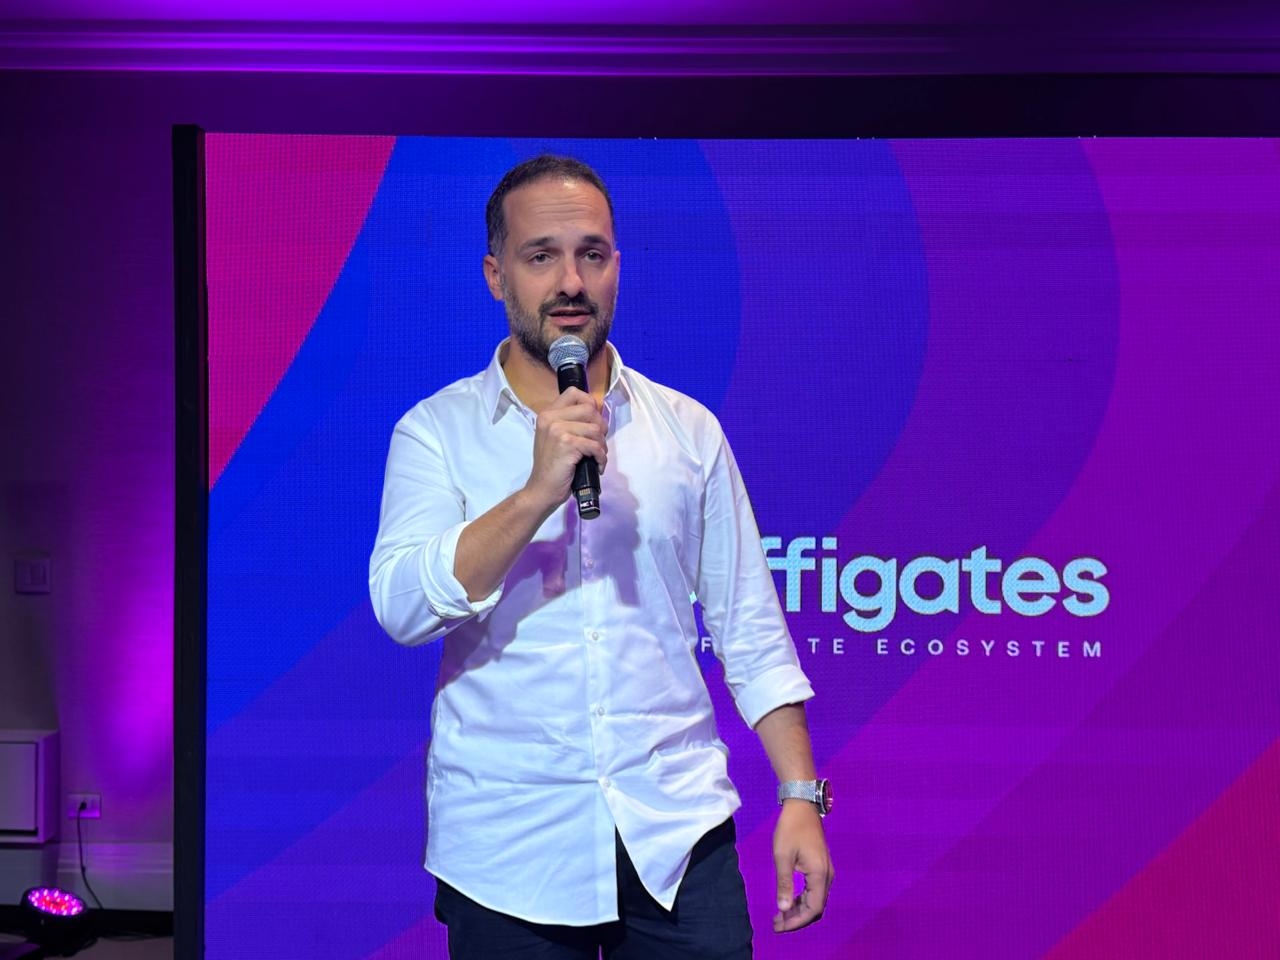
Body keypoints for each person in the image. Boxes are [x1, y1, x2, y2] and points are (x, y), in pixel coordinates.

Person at [369, 154, 832, 959]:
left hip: (676, 832)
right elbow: (402, 608)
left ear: (617, 266)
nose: (571, 282)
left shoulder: (687, 431)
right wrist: (534, 493)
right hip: (509, 848)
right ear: (496, 275)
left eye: (591, 254)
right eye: (540, 256)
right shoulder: (436, 432)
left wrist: (799, 795)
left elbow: (750, 628)